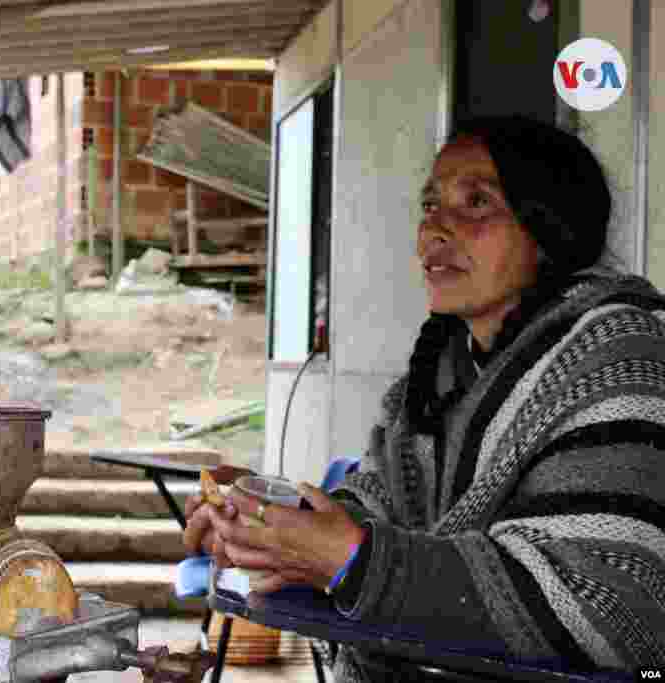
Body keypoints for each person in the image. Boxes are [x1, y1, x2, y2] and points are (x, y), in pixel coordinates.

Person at [184, 116, 665, 678]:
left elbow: (610, 612)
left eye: (477, 202)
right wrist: (271, 529)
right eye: (430, 205)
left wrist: (352, 561)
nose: (435, 229)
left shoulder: (617, 357)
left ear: (549, 227)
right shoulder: (436, 380)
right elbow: (372, 510)